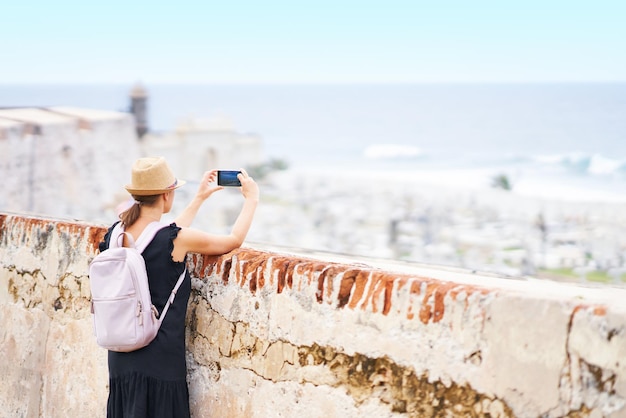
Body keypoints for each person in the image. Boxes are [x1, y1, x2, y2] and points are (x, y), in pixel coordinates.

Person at [98, 156, 259, 418]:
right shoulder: (175, 240)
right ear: (166, 195)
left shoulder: (115, 233)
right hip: (159, 361)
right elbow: (232, 240)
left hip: (120, 356)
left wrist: (199, 199)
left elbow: (165, 233)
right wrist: (251, 199)